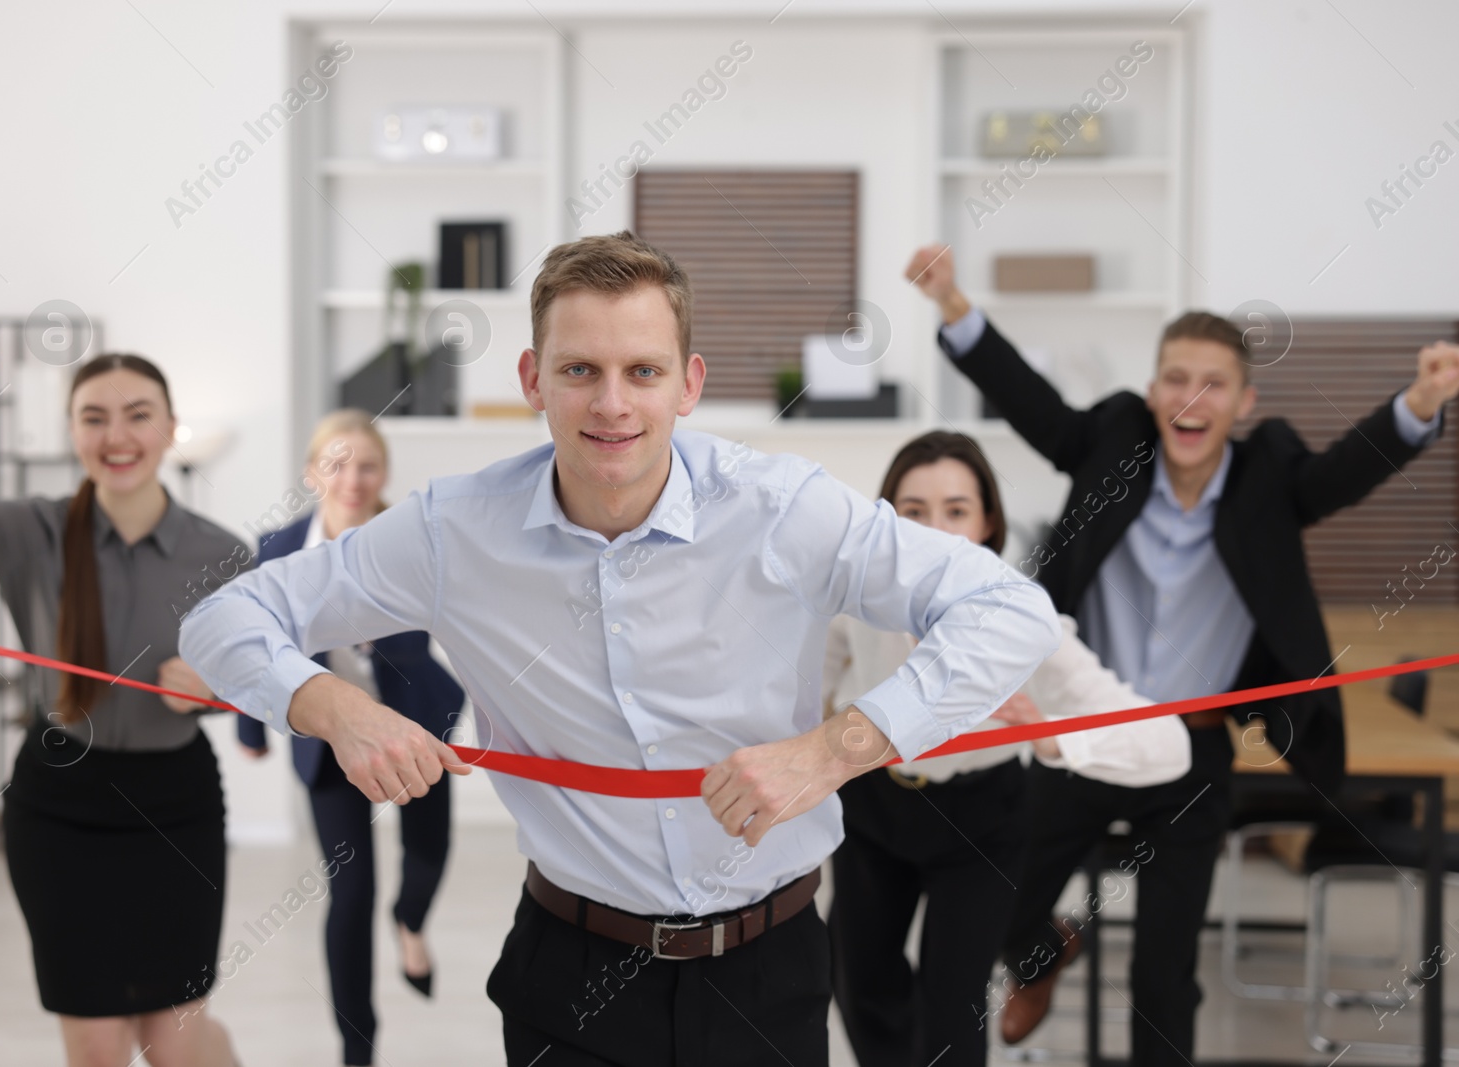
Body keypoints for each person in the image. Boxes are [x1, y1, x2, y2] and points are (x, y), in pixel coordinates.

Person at [180, 230, 1063, 1067]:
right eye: (579, 370)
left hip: (772, 971)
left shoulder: (785, 508)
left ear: (689, 382)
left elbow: (1010, 608)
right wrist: (330, 706)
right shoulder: (453, 530)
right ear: (533, 377)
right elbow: (220, 620)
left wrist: (837, 748)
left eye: (642, 370)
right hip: (570, 976)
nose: (611, 403)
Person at [904, 243, 1459, 1066]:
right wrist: (952, 302)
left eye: (1213, 384)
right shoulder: (1114, 443)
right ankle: (1046, 952)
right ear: (1154, 388)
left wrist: (1419, 400)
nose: (1189, 399)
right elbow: (1031, 403)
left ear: (1242, 402)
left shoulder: (1268, 476)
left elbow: (1345, 471)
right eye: (1174, 378)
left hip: (1192, 750)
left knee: (1165, 971)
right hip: (1084, 730)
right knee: (1006, 907)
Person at [0, 327, 245, 1067]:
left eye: (138, 414)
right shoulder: (25, 531)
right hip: (60, 805)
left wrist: (217, 688)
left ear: (170, 429)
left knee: (173, 1038)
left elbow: (267, 683)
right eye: (94, 417)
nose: (117, 435)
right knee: (98, 1042)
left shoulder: (225, 554)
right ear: (72, 432)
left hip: (177, 807)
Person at [824, 430, 1190, 1067]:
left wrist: (1053, 736)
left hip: (982, 821)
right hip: (875, 808)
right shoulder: (854, 606)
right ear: (886, 519)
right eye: (913, 511)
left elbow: (1169, 744)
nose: (935, 531)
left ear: (988, 522)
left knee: (951, 1003)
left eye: (956, 510)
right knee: (861, 985)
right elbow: (804, 692)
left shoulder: (1022, 622)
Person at [235, 409, 466, 1065]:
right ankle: (356, 1050)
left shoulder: (412, 539)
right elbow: (257, 642)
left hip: (412, 717)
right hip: (331, 739)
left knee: (427, 854)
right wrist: (250, 724)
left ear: (383, 471)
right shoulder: (278, 548)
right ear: (313, 473)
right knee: (349, 891)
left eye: (366, 464)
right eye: (336, 463)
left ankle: (412, 921)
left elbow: (448, 627)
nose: (353, 478)